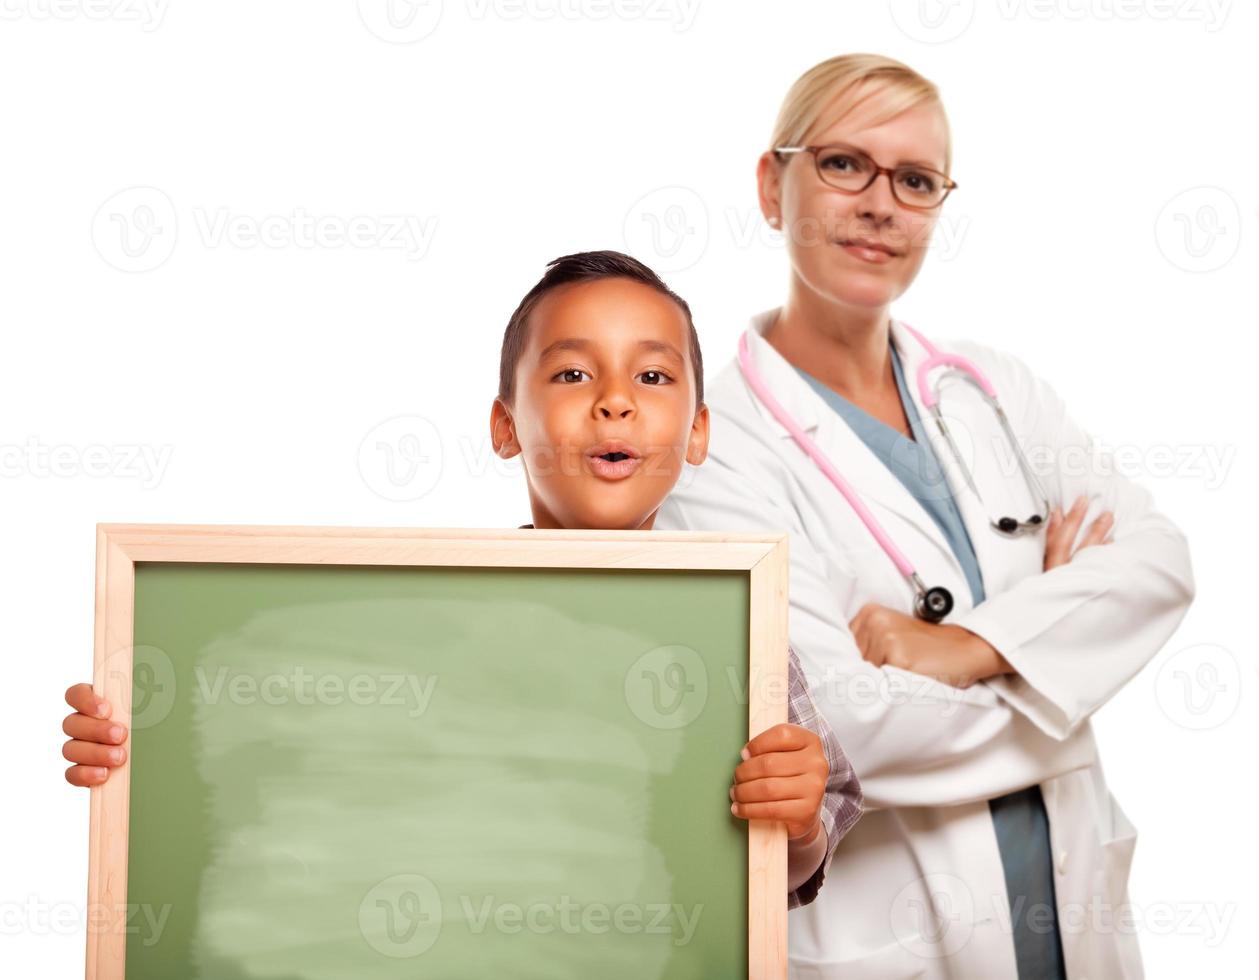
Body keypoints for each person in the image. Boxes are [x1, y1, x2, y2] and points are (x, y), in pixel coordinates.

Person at [63, 248, 864, 909]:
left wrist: (797, 829)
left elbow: (789, 868)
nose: (615, 403)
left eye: (651, 378)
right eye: (572, 375)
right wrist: (140, 748)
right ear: (504, 425)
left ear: (696, 434)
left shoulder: (741, 629)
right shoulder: (414, 620)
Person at [654, 54, 1195, 977]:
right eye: (842, 164)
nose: (880, 204)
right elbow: (847, 730)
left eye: (914, 180)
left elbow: (1159, 565)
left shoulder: (993, 390)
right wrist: (1068, 670)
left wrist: (971, 648)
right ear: (768, 185)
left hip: (1070, 909)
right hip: (891, 937)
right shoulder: (713, 440)